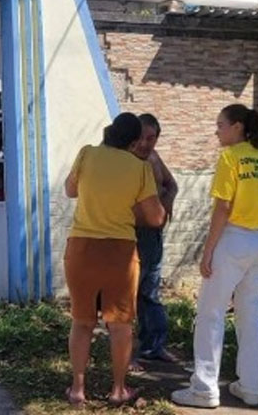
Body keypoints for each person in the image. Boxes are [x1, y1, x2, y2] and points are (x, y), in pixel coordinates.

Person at [171, 104, 258, 409]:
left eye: (220, 125)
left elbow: (222, 208)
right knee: (250, 317)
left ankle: (204, 390)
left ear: (237, 127)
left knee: (210, 314)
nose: (216, 130)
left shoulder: (229, 158)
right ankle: (250, 387)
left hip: (232, 240)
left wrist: (208, 251)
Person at [63, 113, 166, 407]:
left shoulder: (87, 153)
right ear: (134, 142)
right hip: (120, 252)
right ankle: (119, 390)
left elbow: (70, 190)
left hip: (81, 248)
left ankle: (77, 390)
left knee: (82, 322)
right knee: (120, 325)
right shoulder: (140, 167)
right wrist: (126, 207)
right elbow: (156, 217)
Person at [129, 114, 179, 368]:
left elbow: (172, 185)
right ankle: (125, 355)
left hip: (153, 235)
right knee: (127, 294)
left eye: (151, 138)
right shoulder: (125, 161)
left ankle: (154, 346)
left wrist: (165, 205)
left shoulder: (155, 159)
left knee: (150, 291)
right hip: (129, 234)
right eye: (140, 137)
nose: (144, 143)